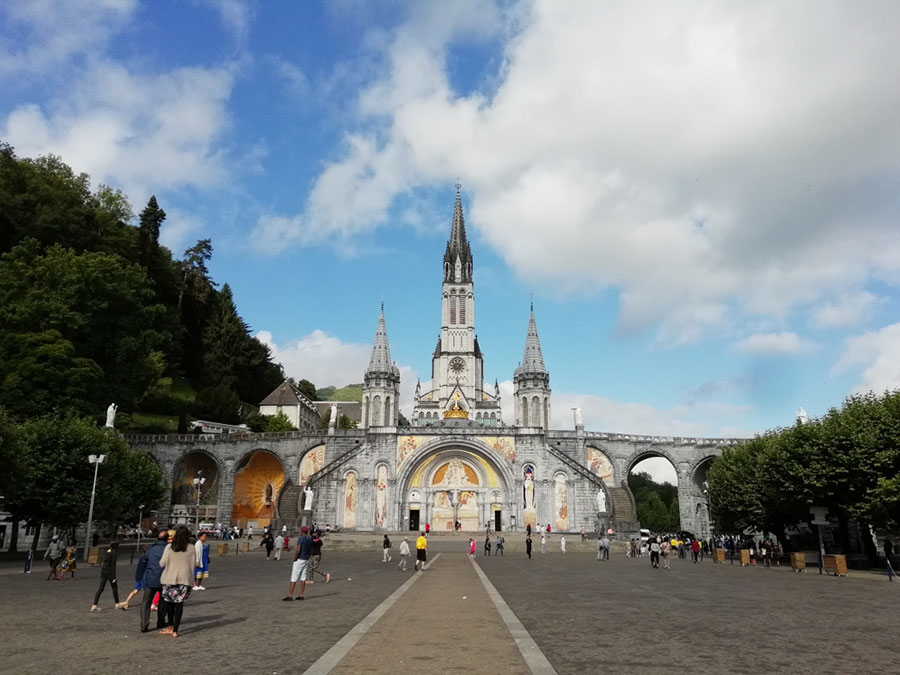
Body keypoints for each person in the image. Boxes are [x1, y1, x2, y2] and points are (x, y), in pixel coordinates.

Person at [159, 526, 195, 638]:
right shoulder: (191, 548)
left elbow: (162, 563)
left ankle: (170, 626)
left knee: (169, 604)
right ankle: (175, 630)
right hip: (184, 579)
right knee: (179, 604)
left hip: (169, 578)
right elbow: (193, 565)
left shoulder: (169, 547)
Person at [137, 530, 170, 633]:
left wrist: (139, 578)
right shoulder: (168, 550)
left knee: (146, 602)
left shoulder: (151, 550)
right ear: (167, 539)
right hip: (164, 579)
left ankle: (144, 624)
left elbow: (142, 563)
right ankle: (161, 621)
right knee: (163, 602)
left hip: (150, 579)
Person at [91, 540, 126, 611]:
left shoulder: (107, 551)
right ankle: (117, 603)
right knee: (114, 587)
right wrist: (114, 577)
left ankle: (94, 605)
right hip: (109, 572)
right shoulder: (114, 553)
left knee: (101, 588)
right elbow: (113, 566)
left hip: (103, 571)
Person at [283, 525, 313, 601]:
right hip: (306, 559)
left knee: (294, 577)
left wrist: (295, 558)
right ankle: (301, 594)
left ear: (302, 531)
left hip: (300, 559)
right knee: (303, 577)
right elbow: (311, 549)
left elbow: (298, 550)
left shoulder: (301, 539)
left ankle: (290, 595)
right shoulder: (310, 538)